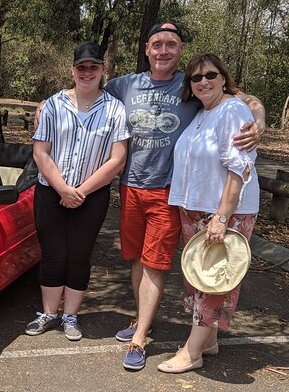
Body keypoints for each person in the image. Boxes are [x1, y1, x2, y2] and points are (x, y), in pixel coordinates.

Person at [100, 21, 265, 370]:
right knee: (145, 261)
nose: (163, 50)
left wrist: (260, 121)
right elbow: (87, 88)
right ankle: (173, 329)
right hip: (142, 189)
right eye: (157, 44)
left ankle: (155, 340)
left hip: (174, 195)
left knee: (185, 270)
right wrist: (48, 106)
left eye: (171, 44)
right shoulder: (127, 85)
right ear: (146, 49)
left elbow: (247, 101)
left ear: (181, 51)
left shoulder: (203, 93)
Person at [157, 53, 259, 373]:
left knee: (215, 280)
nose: (203, 82)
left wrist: (222, 216)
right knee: (200, 277)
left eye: (210, 76)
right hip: (194, 208)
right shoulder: (203, 112)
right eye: (196, 78)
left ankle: (192, 353)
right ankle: (208, 340)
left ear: (224, 78)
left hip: (223, 211)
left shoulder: (232, 110)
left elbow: (238, 168)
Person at [25, 41, 129, 341]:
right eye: (81, 67)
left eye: (93, 67)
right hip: (51, 192)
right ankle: (49, 312)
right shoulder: (53, 105)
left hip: (91, 195)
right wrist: (63, 189)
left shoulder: (114, 109)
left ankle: (70, 315)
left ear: (103, 70)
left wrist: (80, 191)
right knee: (53, 253)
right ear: (72, 70)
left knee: (79, 255)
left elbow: (117, 158)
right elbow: (41, 153)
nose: (87, 73)